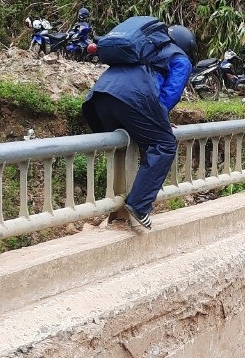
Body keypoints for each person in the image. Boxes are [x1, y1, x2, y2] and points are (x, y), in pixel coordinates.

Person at [82, 24, 196, 230]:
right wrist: (160, 119)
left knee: (127, 143)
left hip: (99, 97)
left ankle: (115, 209)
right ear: (186, 44)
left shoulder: (146, 49)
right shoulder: (179, 58)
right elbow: (170, 93)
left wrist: (156, 121)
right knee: (164, 145)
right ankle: (139, 205)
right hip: (134, 99)